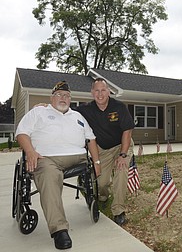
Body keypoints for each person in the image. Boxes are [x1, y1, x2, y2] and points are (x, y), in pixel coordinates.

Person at [15, 81, 101, 250]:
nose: (64, 98)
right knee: (48, 173)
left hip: (78, 157)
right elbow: (21, 133)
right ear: (51, 98)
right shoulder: (39, 112)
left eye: (67, 96)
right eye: (60, 95)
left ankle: (89, 196)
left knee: (81, 165)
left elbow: (91, 139)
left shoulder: (77, 116)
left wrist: (97, 162)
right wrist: (30, 152)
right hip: (47, 159)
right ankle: (59, 229)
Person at [77, 77, 135, 226]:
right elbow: (65, 111)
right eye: (96, 90)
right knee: (102, 182)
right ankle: (103, 196)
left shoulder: (120, 107)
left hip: (122, 145)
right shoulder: (85, 110)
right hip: (103, 149)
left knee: (121, 172)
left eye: (103, 90)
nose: (100, 94)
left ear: (109, 91)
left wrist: (123, 155)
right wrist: (46, 106)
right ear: (91, 93)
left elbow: (127, 132)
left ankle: (118, 210)